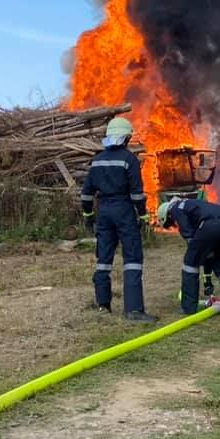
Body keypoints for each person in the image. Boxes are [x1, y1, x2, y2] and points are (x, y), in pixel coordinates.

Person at [81, 117, 157, 322]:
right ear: (127, 137)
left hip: (103, 211)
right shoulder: (129, 159)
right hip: (123, 210)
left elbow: (86, 193)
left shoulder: (97, 160)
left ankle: (103, 305)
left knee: (103, 260)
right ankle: (133, 310)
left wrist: (88, 216)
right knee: (132, 258)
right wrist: (142, 215)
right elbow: (137, 194)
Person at [157, 197, 220, 319]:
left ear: (168, 215)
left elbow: (189, 235)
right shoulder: (194, 207)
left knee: (189, 265)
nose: (174, 226)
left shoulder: (175, 207)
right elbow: (208, 255)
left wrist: (193, 248)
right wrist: (207, 282)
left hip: (211, 225)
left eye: (171, 224)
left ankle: (188, 308)